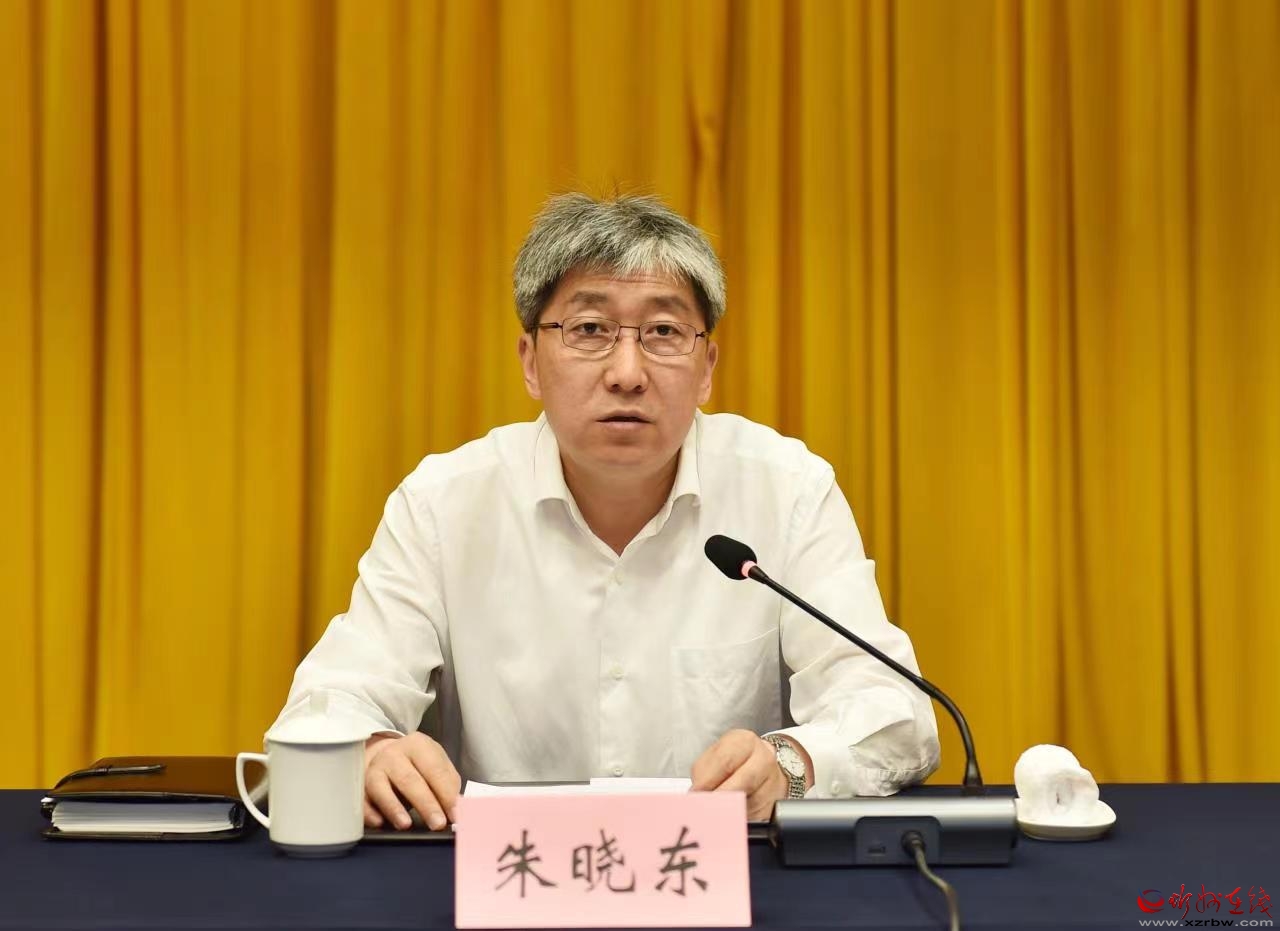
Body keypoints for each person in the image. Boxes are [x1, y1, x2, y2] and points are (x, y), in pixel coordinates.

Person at [270, 193, 940, 830]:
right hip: (509, 879)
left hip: (722, 881)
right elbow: (328, 705)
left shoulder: (787, 491)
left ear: (707, 367)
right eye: (589, 329)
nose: (627, 372)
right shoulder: (444, 505)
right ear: (531, 361)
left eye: (664, 332)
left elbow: (895, 710)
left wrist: (792, 765)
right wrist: (371, 750)